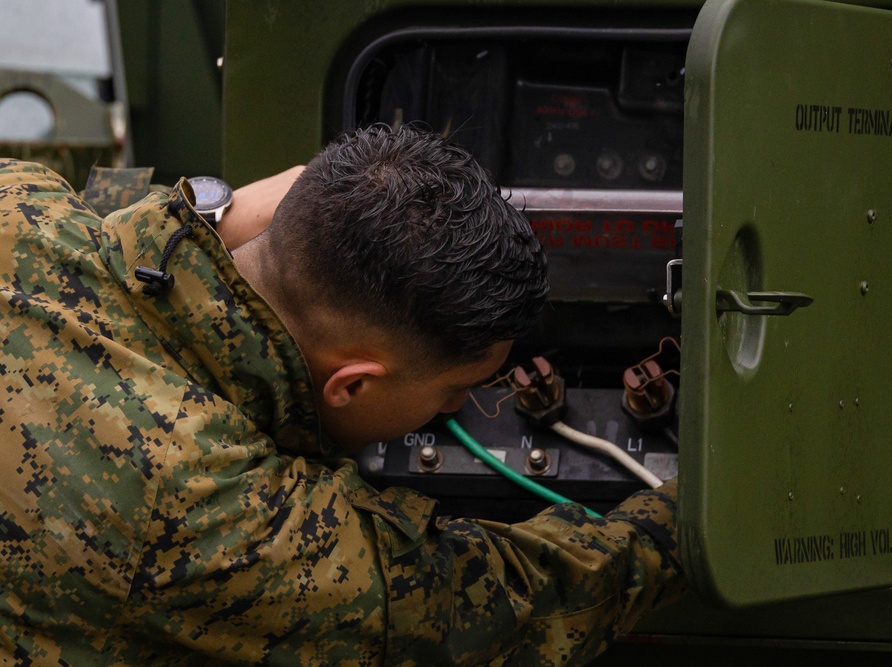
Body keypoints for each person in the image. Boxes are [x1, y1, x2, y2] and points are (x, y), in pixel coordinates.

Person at [0, 124, 684, 665]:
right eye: (452, 392)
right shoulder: (215, 511)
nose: (458, 411)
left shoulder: (21, 200)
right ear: (352, 382)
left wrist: (206, 211)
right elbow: (487, 610)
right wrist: (684, 520)